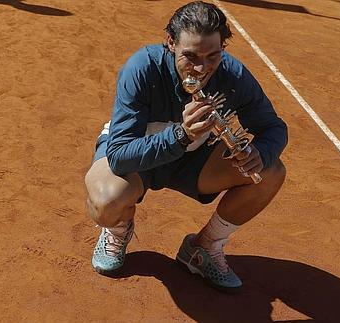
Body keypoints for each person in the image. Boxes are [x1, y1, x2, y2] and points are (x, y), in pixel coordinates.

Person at [85, 1, 287, 292]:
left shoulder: (234, 76)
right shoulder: (142, 68)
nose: (201, 67)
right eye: (190, 56)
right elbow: (118, 156)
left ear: (223, 49)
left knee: (271, 172)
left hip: (193, 163)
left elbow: (273, 127)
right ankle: (117, 228)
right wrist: (180, 135)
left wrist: (261, 153)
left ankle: (203, 248)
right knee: (106, 202)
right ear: (170, 43)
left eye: (212, 56)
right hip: (136, 160)